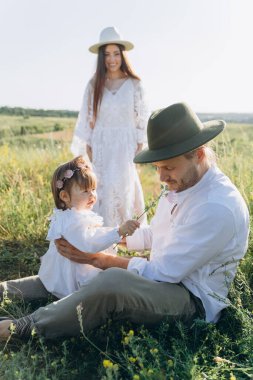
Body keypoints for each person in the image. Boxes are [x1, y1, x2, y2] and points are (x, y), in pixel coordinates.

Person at [0, 102, 249, 340]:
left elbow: (165, 272)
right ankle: (4, 291)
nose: (162, 177)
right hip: (166, 277)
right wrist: (102, 243)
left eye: (169, 168)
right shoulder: (185, 183)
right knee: (69, 269)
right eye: (158, 168)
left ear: (198, 154)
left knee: (112, 280)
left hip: (189, 298)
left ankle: (24, 329)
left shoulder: (216, 207)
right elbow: (157, 235)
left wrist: (98, 258)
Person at [71, 26, 149, 227]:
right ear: (101, 57)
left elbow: (142, 117)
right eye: (106, 54)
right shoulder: (94, 84)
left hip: (125, 143)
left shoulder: (134, 84)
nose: (112, 59)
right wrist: (88, 144)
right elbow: (88, 116)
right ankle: (102, 231)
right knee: (102, 186)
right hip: (101, 142)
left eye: (116, 53)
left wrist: (140, 142)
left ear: (122, 55)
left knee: (124, 185)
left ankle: (126, 232)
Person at [38, 156, 139, 299]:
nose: (92, 195)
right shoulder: (74, 221)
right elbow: (89, 243)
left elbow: (92, 234)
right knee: (104, 281)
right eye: (85, 191)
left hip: (69, 268)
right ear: (65, 196)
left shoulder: (68, 216)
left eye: (93, 189)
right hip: (73, 276)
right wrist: (118, 231)